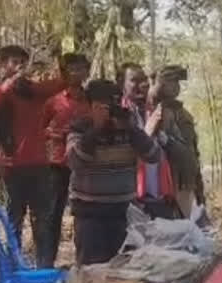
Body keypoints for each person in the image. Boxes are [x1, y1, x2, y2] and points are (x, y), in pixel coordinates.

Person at [65, 79, 160, 264]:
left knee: (124, 272)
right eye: (104, 106)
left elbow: (154, 156)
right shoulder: (79, 127)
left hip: (124, 212)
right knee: (91, 272)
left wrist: (133, 131)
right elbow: (74, 162)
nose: (111, 110)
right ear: (90, 106)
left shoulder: (129, 127)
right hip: (90, 214)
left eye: (114, 103)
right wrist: (96, 130)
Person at [0, 44, 64, 267]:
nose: (20, 65)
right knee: (13, 221)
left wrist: (58, 60)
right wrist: (12, 80)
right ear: (2, 65)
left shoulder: (34, 91)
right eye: (14, 61)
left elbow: (59, 84)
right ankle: (13, 267)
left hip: (39, 165)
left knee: (42, 220)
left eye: (23, 61)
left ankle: (43, 270)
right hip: (11, 167)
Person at [42, 52, 91, 266]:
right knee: (53, 213)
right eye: (72, 69)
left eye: (81, 68)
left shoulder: (91, 101)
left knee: (82, 214)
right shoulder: (54, 101)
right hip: (57, 164)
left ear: (87, 72)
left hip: (82, 165)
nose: (77, 73)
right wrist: (57, 134)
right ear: (64, 73)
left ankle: (83, 262)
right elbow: (40, 129)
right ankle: (45, 263)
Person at [147, 65, 204, 217]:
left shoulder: (182, 115)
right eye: (168, 82)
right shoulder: (144, 109)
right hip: (151, 188)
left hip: (180, 184)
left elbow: (191, 155)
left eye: (175, 82)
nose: (173, 86)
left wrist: (199, 190)